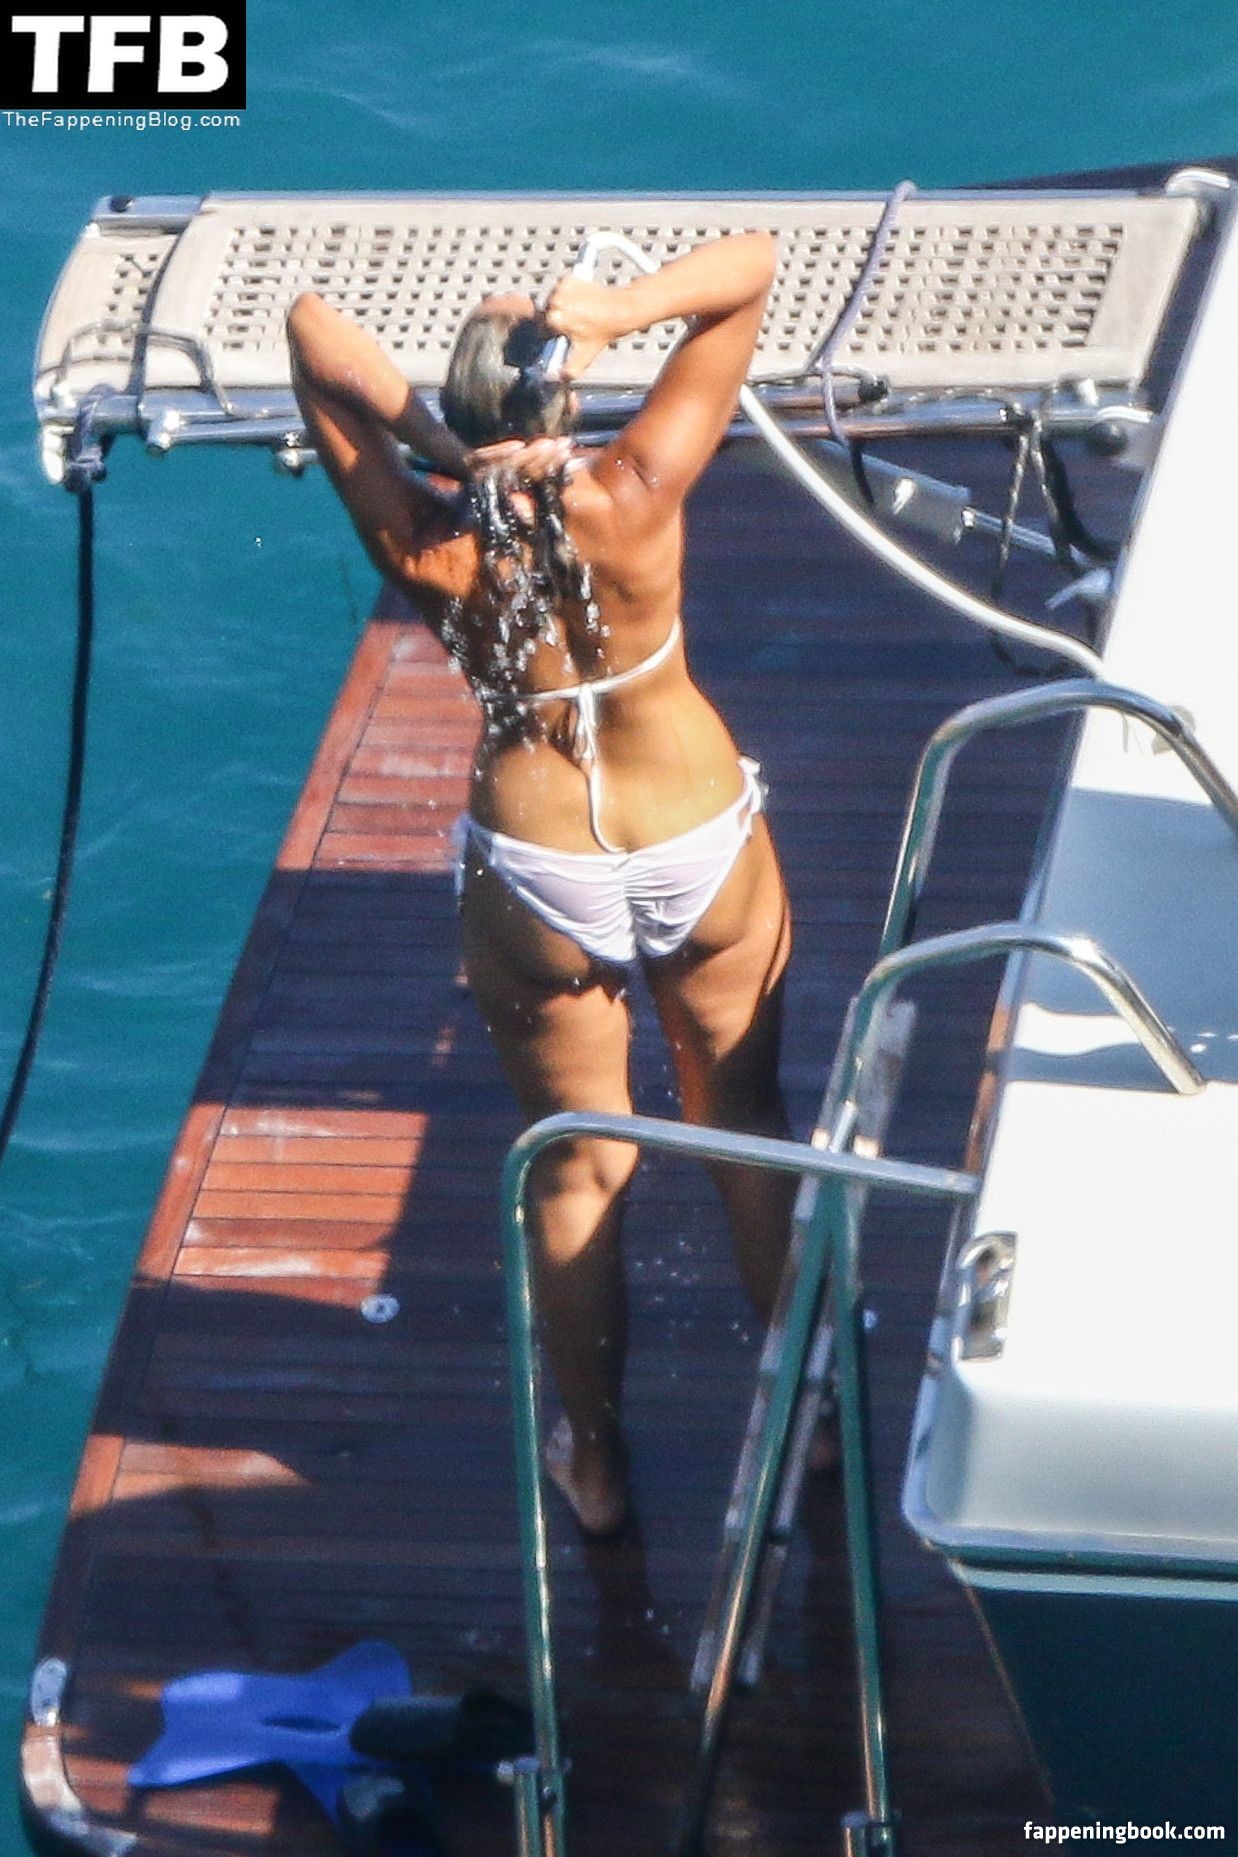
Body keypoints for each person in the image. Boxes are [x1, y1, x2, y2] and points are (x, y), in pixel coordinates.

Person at [287, 232, 797, 1535]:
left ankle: (601, 1466)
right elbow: (751, 265)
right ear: (565, 396)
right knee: (741, 1123)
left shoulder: (429, 543)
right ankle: (817, 1407)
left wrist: (443, 446)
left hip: (539, 868)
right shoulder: (634, 490)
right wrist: (620, 309)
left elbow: (309, 328)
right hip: (690, 832)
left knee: (578, 1169)